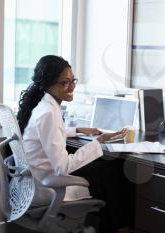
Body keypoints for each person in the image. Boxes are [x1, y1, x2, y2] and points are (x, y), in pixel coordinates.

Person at [17, 55, 130, 233]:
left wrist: (78, 130)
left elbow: (46, 134)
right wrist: (98, 142)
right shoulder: (48, 113)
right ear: (48, 84)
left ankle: (114, 227)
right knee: (112, 173)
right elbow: (63, 166)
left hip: (39, 178)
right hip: (48, 185)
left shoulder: (44, 106)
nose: (71, 87)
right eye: (64, 83)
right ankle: (119, 229)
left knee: (107, 169)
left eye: (73, 81)